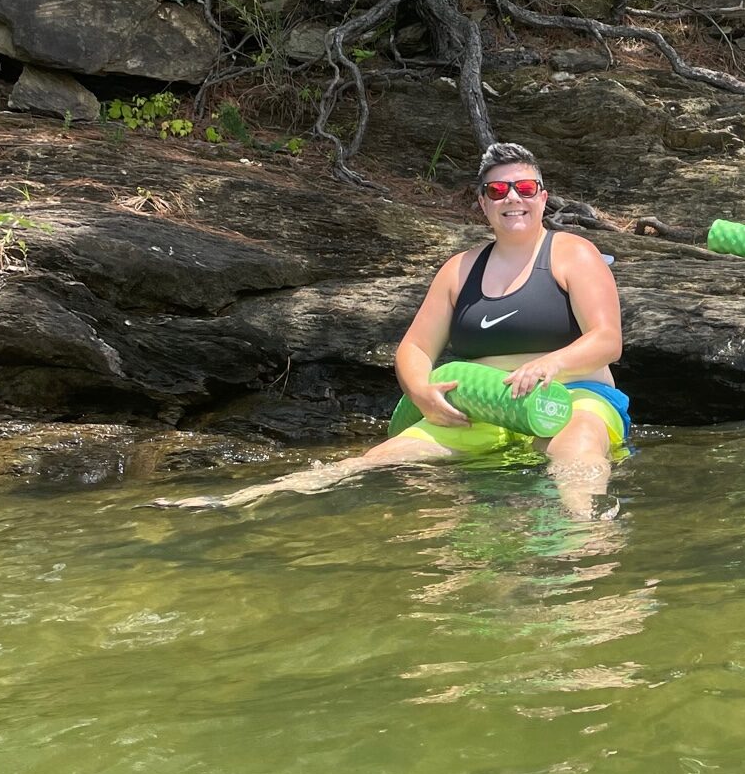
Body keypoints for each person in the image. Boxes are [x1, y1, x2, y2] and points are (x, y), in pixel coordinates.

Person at [157, 143, 629, 516]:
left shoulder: (572, 253)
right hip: (482, 407)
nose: (514, 200)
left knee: (578, 444)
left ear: (542, 196)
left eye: (525, 189)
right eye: (498, 192)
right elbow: (415, 349)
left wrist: (549, 364)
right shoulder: (459, 270)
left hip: (570, 396)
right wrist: (423, 393)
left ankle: (583, 541)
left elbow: (607, 341)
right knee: (376, 460)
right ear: (482, 204)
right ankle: (247, 500)